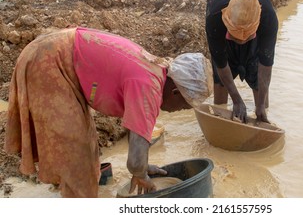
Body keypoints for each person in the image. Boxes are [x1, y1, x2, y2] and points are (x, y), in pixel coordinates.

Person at [4, 26, 213, 198]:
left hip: (56, 51)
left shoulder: (155, 70)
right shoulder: (148, 87)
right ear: (176, 91)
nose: (179, 111)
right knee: (76, 153)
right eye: (184, 106)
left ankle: (71, 187)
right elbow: (134, 161)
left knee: (85, 145)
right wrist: (140, 173)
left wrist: (143, 166)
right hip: (50, 61)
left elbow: (136, 131)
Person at [205, 0, 278, 123]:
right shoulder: (215, 18)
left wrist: (260, 106)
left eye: (246, 37)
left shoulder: (268, 19)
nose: (241, 41)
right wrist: (236, 100)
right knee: (221, 76)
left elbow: (265, 65)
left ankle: (261, 110)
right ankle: (220, 114)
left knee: (254, 64)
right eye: (235, 36)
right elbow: (220, 62)